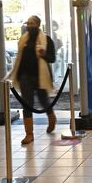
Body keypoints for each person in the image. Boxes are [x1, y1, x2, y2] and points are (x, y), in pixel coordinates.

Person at [9, 15, 57, 144]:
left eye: (32, 23)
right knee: (27, 104)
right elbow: (20, 58)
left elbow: (52, 58)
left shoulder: (47, 39)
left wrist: (43, 54)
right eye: (28, 23)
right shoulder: (23, 40)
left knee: (44, 101)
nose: (29, 26)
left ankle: (52, 119)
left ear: (38, 25)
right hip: (25, 76)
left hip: (40, 76)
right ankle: (29, 134)